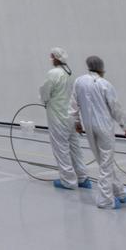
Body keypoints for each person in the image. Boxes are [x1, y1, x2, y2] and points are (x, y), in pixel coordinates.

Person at [71, 55, 126, 209]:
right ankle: (105, 199)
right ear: (101, 68)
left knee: (103, 161)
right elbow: (115, 107)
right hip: (104, 127)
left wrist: (77, 123)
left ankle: (120, 191)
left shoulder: (79, 82)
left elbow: (73, 104)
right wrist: (124, 126)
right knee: (106, 163)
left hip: (89, 127)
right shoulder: (105, 84)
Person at [41, 47, 90, 191]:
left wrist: (44, 100)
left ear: (55, 58)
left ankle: (68, 180)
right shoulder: (69, 73)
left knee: (61, 148)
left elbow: (45, 92)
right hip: (70, 117)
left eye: (51, 56)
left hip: (58, 117)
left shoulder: (54, 73)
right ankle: (82, 177)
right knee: (75, 148)